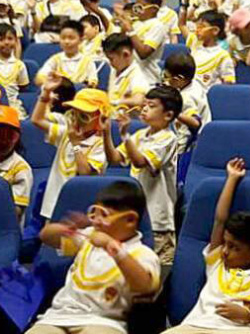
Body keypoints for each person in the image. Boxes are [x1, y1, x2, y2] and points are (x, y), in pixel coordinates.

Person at [161, 158, 250, 334]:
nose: (225, 251)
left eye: (234, 247)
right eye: (225, 244)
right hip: (198, 326)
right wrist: (231, 179)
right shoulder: (218, 264)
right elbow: (219, 220)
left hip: (239, 329)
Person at [27, 180, 161, 334]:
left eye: (104, 215)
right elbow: (46, 237)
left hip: (104, 321)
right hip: (58, 316)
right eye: (94, 212)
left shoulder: (142, 253)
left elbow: (144, 286)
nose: (96, 221)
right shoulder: (88, 238)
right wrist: (64, 229)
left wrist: (114, 249)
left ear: (130, 220)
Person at [104, 85, 181, 264]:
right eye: (145, 104)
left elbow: (140, 162)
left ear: (168, 115)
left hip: (158, 220)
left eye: (152, 106)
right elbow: (115, 158)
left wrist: (124, 135)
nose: (144, 108)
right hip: (138, 215)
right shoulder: (140, 135)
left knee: (157, 269)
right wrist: (106, 132)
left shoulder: (167, 139)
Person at [32, 83, 110, 220]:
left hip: (80, 210)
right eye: (74, 114)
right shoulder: (65, 133)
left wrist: (75, 144)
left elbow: (85, 172)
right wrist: (45, 95)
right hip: (53, 205)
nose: (77, 120)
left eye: (84, 117)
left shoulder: (100, 145)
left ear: (100, 119)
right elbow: (37, 120)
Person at [114, 0, 169, 87]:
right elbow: (119, 45)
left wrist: (130, 31)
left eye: (141, 6)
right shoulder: (135, 23)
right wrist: (123, 26)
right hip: (129, 78)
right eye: (136, 6)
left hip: (148, 80)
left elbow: (143, 53)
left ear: (154, 9)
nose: (136, 9)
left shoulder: (157, 26)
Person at [163, 52, 211, 155]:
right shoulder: (195, 83)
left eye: (167, 77)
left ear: (179, 79)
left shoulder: (186, 98)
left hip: (190, 144)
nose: (165, 81)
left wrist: (178, 153)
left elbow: (193, 124)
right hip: (204, 137)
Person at [183, 10, 236, 91]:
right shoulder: (195, 44)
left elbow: (228, 83)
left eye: (202, 27)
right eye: (197, 26)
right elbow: (181, 24)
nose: (197, 30)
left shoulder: (222, 55)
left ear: (215, 30)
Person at [36, 20, 98, 87]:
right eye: (63, 38)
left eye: (71, 38)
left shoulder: (88, 61)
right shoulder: (55, 60)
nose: (66, 42)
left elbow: (93, 82)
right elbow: (40, 78)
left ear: (81, 39)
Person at [102, 33, 149, 116]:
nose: (110, 63)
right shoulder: (114, 70)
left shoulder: (137, 75)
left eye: (111, 59)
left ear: (126, 54)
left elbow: (139, 100)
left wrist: (115, 102)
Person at [0, 105, 32, 222]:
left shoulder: (20, 168)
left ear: (16, 138)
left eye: (7, 136)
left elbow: (14, 213)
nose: (2, 141)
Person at [0, 23, 30, 119]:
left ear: (16, 41)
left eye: (10, 39)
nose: (6, 42)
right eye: (1, 39)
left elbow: (23, 86)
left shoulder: (19, 65)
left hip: (13, 105)